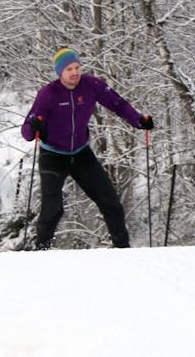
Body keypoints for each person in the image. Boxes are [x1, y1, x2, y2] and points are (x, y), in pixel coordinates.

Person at [21, 48, 154, 250]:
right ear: (59, 72)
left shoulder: (91, 85)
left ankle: (123, 251)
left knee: (112, 204)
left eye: (77, 67)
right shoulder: (48, 94)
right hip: (53, 155)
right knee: (52, 209)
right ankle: (41, 253)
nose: (74, 73)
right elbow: (26, 131)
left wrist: (138, 120)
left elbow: (117, 103)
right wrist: (34, 127)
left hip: (81, 154)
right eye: (69, 69)